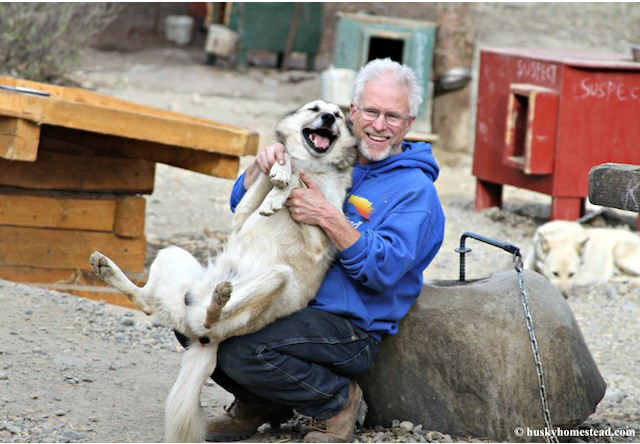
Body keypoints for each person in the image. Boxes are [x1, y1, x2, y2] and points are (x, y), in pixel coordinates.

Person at [203, 58, 446, 443]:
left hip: (348, 327)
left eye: (393, 116)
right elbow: (244, 207)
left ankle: (337, 402)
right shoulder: (330, 155)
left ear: (410, 123)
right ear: (353, 112)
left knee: (240, 351)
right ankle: (262, 399)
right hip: (289, 299)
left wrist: (330, 218)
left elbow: (383, 270)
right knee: (194, 321)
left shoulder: (416, 193)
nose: (380, 125)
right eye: (371, 111)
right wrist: (259, 168)